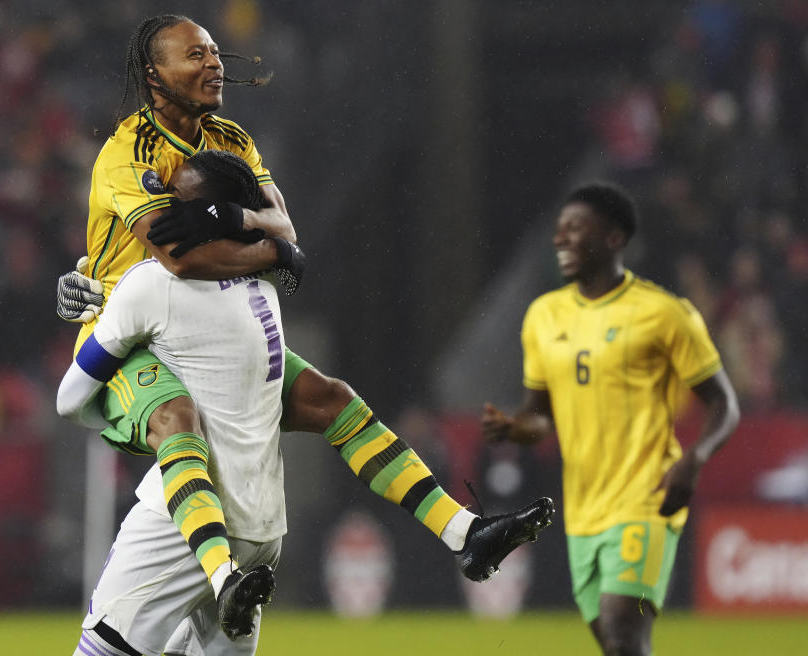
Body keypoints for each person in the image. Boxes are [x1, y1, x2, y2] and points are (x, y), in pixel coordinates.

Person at [57, 13, 555, 655]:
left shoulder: (231, 137)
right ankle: (220, 574)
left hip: (218, 317)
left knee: (332, 398)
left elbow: (284, 225)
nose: (214, 63)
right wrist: (265, 250)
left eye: (214, 52)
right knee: (178, 417)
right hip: (133, 341)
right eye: (194, 55)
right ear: (155, 76)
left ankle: (463, 532)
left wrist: (245, 228)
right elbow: (180, 254)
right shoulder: (129, 153)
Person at [482, 182, 740, 656]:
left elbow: (725, 402)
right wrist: (516, 428)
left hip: (647, 497)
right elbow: (541, 417)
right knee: (617, 645)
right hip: (582, 511)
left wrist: (695, 459)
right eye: (558, 230)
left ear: (614, 238)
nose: (561, 239)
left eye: (576, 228)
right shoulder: (544, 316)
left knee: (625, 629)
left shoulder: (664, 314)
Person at [59, 149, 287, 655]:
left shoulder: (150, 286)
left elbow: (68, 400)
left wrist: (134, 418)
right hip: (263, 527)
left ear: (205, 216)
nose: (159, 210)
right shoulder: (264, 289)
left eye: (175, 200)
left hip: (184, 515)